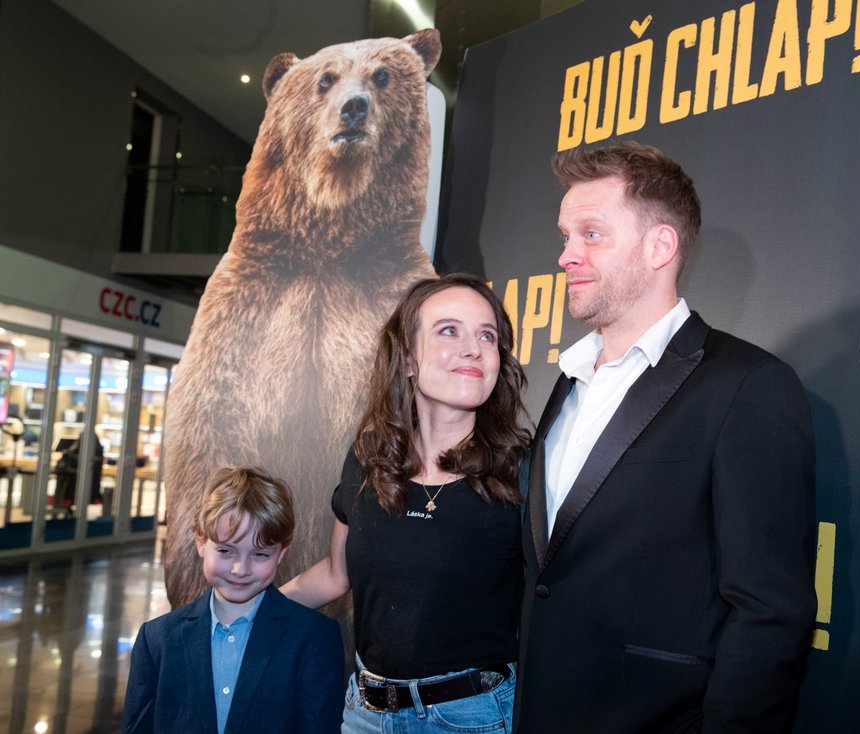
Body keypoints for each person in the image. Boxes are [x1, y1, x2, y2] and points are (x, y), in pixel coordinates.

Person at [515, 141, 817, 733]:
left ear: (660, 246)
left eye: (591, 234)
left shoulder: (747, 386)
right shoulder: (568, 382)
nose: (566, 255)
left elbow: (770, 612)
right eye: (565, 236)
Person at [282, 273, 530, 733]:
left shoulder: (524, 472)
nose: (474, 348)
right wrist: (256, 607)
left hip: (474, 718)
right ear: (408, 360)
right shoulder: (368, 458)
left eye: (488, 335)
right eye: (449, 330)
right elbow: (337, 574)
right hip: (364, 716)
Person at [123, 466, 345, 734]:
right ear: (201, 542)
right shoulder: (157, 640)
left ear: (281, 553)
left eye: (260, 554)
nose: (241, 569)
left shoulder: (314, 638)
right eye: (226, 551)